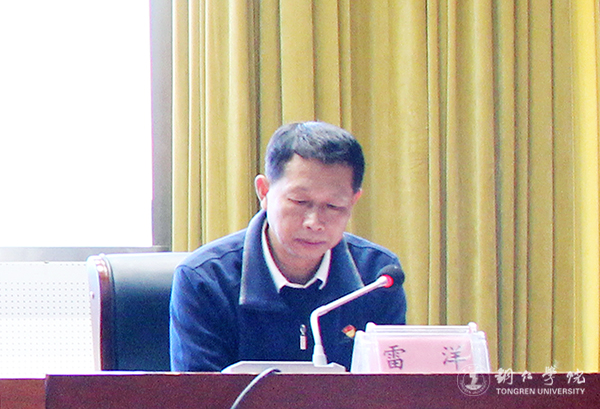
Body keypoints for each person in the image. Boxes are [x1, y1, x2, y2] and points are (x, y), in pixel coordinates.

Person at [169, 121, 407, 372]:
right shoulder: (205, 280)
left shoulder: (377, 277)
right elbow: (201, 391)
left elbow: (391, 386)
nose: (314, 222)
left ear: (354, 201)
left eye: (334, 206)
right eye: (299, 201)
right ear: (264, 192)